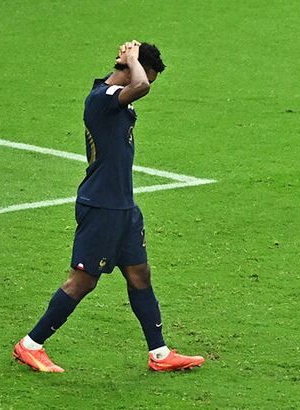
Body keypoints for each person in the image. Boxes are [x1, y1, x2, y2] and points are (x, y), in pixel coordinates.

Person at [13, 41, 204, 373]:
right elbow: (141, 85)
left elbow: (139, 85)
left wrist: (132, 61)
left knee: (139, 275)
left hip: (123, 208)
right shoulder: (101, 100)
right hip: (101, 206)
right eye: (147, 73)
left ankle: (159, 354)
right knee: (83, 280)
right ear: (131, 69)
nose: (148, 82)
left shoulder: (116, 100)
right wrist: (132, 59)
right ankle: (30, 345)